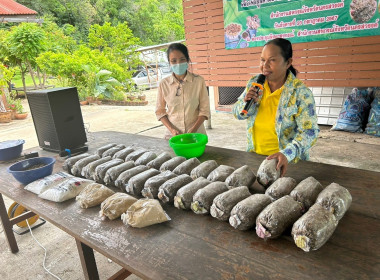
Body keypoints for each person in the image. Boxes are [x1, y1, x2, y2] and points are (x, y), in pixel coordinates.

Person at [232, 38, 319, 176]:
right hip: (255, 157)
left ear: (288, 62)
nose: (264, 66)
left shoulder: (300, 93)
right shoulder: (254, 83)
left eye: (272, 60)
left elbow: (310, 131)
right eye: (262, 60)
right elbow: (237, 113)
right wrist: (246, 103)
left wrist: (288, 153)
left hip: (286, 163)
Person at [155, 43, 211, 140]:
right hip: (173, 137)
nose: (178, 64)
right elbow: (160, 112)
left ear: (188, 60)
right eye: (174, 61)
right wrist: (172, 130)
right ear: (169, 63)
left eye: (182, 59)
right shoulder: (164, 84)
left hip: (196, 135)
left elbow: (204, 110)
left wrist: (193, 130)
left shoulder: (198, 81)